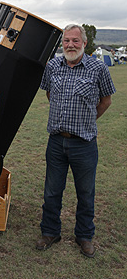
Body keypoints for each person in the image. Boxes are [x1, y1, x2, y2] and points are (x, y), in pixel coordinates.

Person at [36, 24, 116, 258]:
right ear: (62, 44)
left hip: (84, 144)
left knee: (85, 193)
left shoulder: (98, 68)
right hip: (56, 142)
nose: (70, 45)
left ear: (84, 43)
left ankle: (84, 236)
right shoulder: (53, 65)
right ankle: (50, 232)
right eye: (66, 41)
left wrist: (88, 120)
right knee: (51, 191)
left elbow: (106, 101)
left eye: (75, 41)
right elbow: (50, 94)